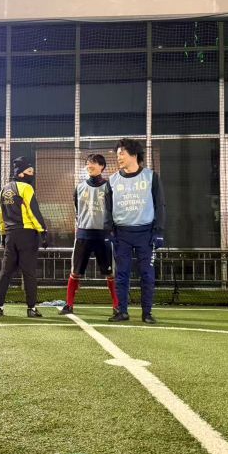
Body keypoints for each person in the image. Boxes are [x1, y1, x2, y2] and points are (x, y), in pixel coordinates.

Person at [108, 139, 166, 324]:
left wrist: (159, 232)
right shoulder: (112, 180)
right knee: (121, 275)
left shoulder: (151, 177)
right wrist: (110, 231)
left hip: (145, 234)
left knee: (147, 274)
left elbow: (160, 205)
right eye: (118, 155)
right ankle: (122, 312)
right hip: (122, 235)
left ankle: (147, 313)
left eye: (122, 154)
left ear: (134, 154)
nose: (119, 158)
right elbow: (108, 208)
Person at [58, 153, 119, 316]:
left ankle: (117, 306)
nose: (90, 165)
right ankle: (69, 305)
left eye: (94, 163)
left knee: (110, 273)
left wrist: (110, 230)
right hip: (83, 235)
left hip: (103, 236)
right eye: (88, 163)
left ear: (102, 166)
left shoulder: (109, 187)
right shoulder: (79, 187)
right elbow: (77, 210)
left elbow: (113, 210)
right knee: (75, 272)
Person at [0, 156, 48, 318]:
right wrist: (43, 231)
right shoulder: (26, 188)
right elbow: (33, 212)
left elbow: (0, 215)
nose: (32, 174)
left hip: (10, 236)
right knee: (29, 273)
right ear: (21, 173)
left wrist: (3, 234)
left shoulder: (3, 190)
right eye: (30, 171)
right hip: (27, 235)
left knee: (5, 272)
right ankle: (31, 309)